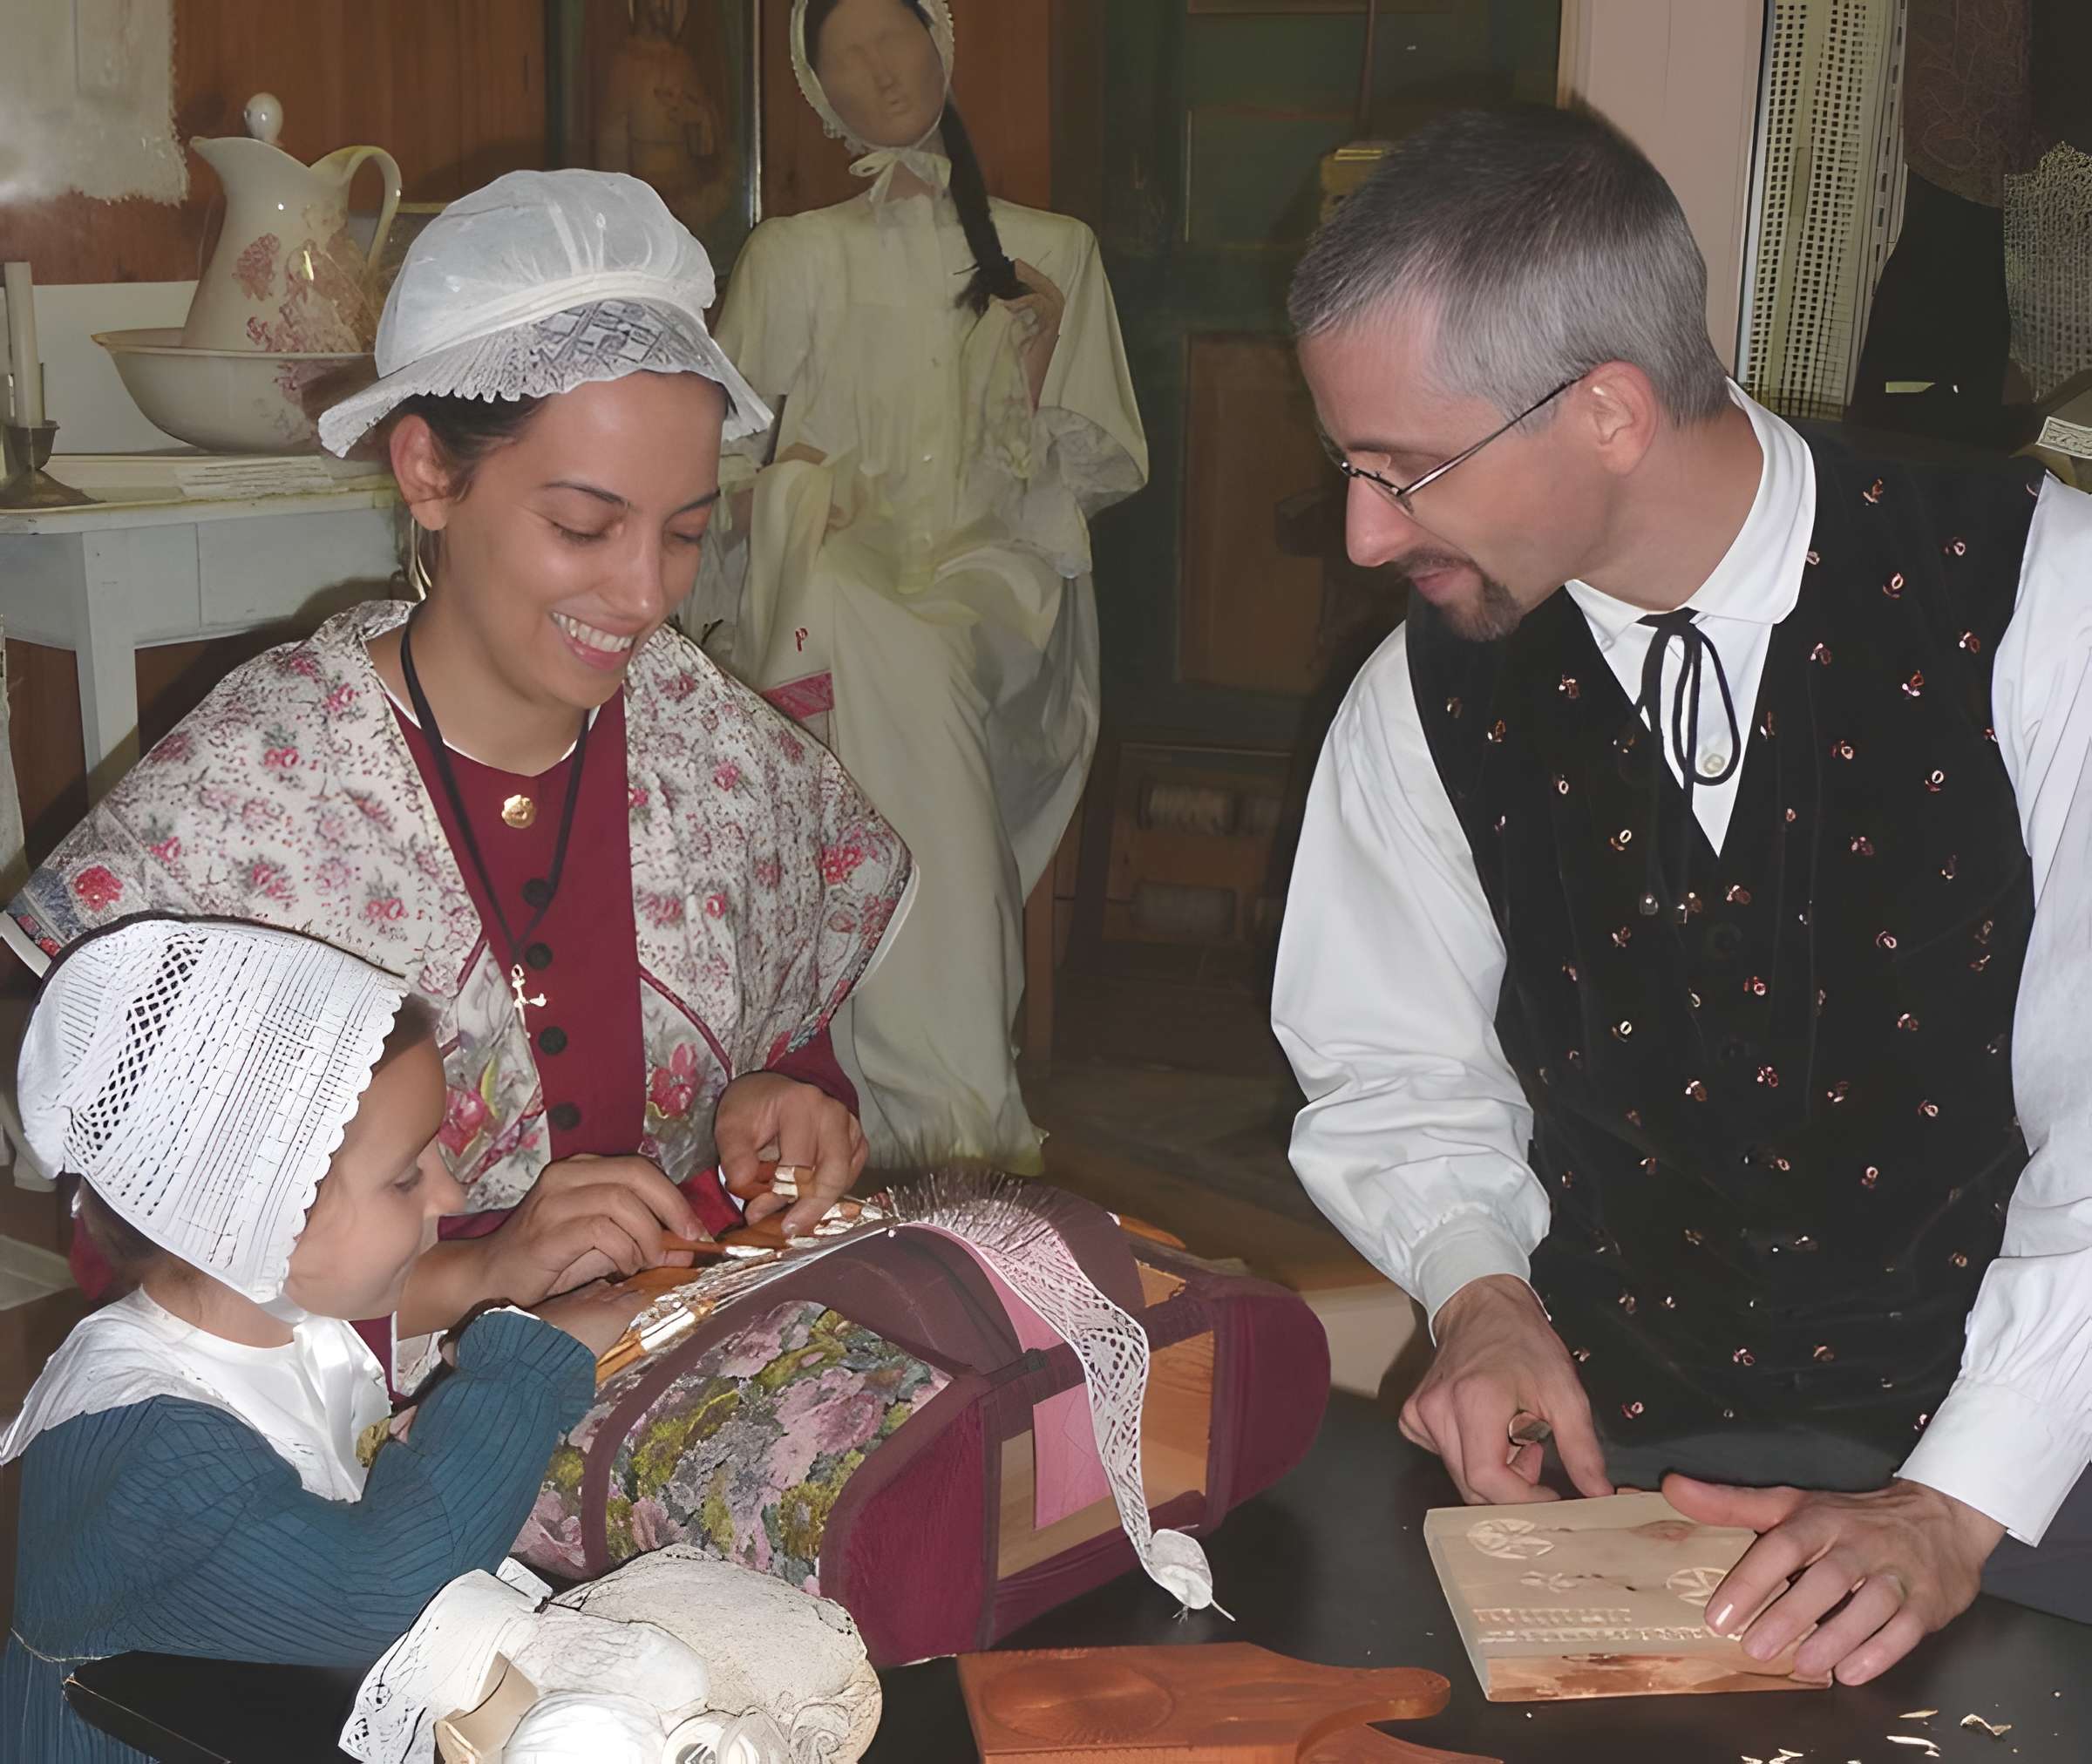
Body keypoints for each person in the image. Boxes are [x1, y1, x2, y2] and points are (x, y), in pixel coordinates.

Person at [1271, 105, 2092, 1686]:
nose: (1368, 529)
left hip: (2033, 1459)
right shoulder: (1421, 698)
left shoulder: (2038, 600)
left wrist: (1955, 1500)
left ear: (1609, 411)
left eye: (1409, 468)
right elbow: (1392, 1064)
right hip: (1624, 1461)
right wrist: (1482, 1292)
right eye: (1350, 467)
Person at [4, 169, 915, 1348]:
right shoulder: (262, 792)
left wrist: (775, 1106)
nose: (645, 595)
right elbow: (131, 1259)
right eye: (584, 526)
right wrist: (481, 1272)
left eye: (687, 532)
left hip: (683, 1329)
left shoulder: (708, 743)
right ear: (429, 472)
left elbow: (791, 1042)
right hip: (373, 1426)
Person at [0, 917, 647, 1762]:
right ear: (261, 1214)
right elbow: (390, 1586)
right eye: (407, 1174)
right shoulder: (147, 1450)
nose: (449, 1193)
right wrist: (531, 1356)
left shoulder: (269, 1322)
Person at [690, 0, 1146, 1172]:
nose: (878, 69)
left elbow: (1082, 484)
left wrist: (1034, 361)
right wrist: (787, 491)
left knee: (902, 639)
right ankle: (946, 1106)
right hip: (832, 584)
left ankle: (922, 1093)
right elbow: (713, 469)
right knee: (853, 611)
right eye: (847, 54)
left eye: (895, 39)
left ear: (944, 48)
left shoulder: (1059, 249)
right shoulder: (791, 254)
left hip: (995, 587)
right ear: (815, 86)